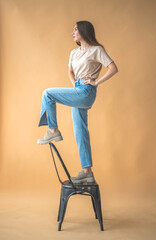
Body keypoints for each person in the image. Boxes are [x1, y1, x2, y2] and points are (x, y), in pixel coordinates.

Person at [37, 20, 118, 184]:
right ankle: (87, 172)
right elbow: (70, 71)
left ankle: (53, 131)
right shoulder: (74, 52)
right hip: (78, 89)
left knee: (48, 94)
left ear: (84, 31)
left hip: (87, 92)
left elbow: (113, 68)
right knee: (81, 131)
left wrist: (96, 82)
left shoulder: (97, 50)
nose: (73, 32)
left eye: (75, 29)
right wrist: (75, 83)